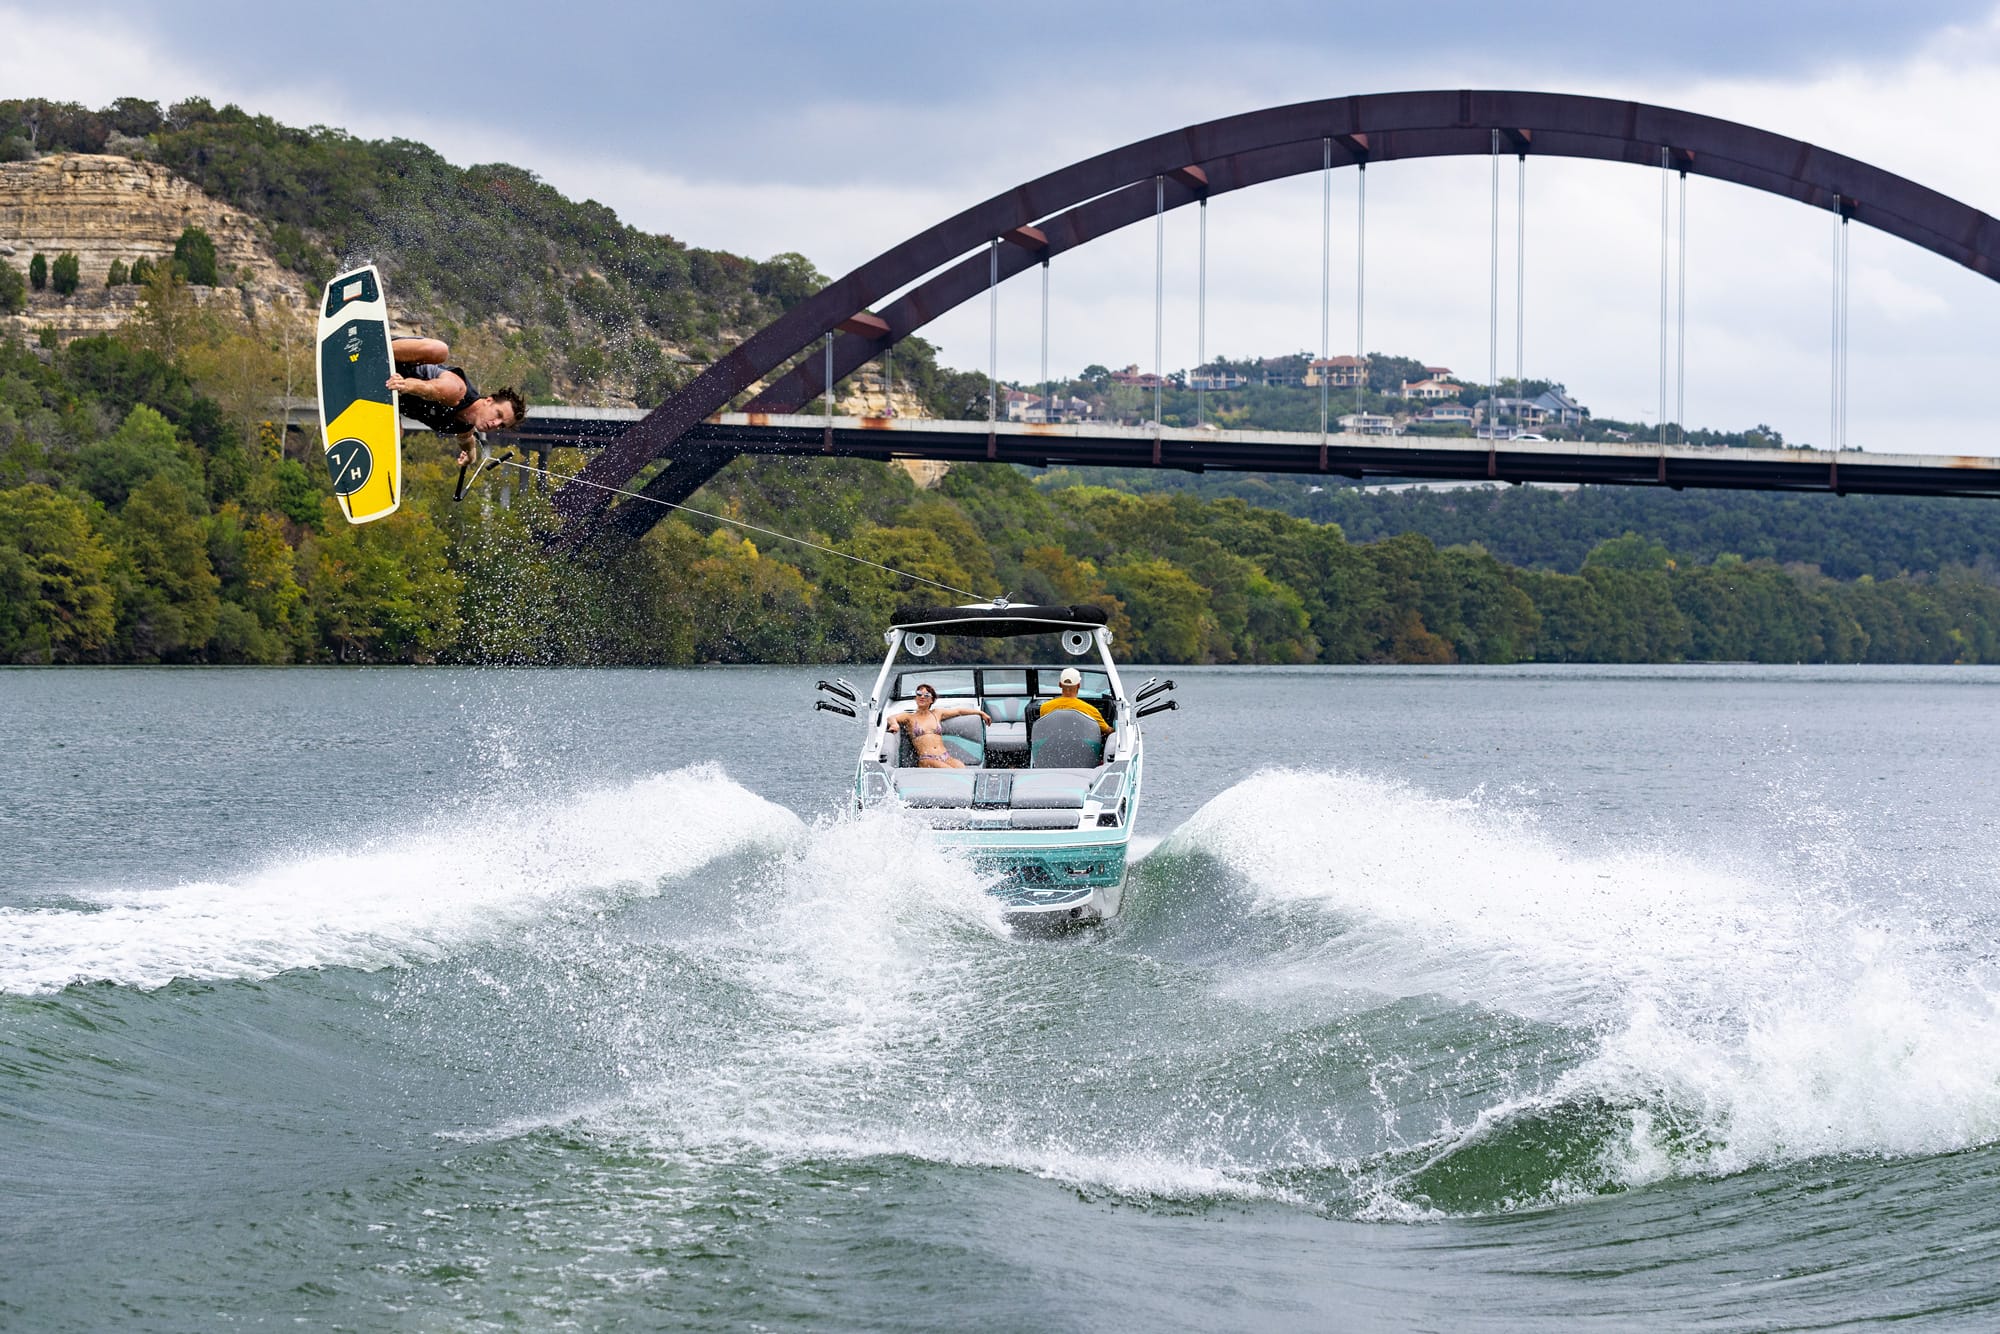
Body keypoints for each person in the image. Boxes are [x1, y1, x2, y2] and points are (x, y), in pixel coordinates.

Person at [385, 338, 528, 465]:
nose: (495, 424)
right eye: (498, 414)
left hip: (389, 394)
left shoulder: (464, 426)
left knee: (395, 436)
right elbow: (429, 388)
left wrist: (470, 456)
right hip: (398, 370)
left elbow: (466, 440)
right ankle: (380, 347)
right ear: (489, 400)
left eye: (501, 425)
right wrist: (405, 385)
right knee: (440, 350)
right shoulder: (458, 391)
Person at [885, 683, 992, 768]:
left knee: (962, 768)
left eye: (926, 695)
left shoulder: (937, 713)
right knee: (951, 772)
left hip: (945, 756)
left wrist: (980, 713)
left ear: (932, 700)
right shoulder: (909, 717)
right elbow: (891, 718)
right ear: (915, 698)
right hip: (927, 759)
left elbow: (958, 711)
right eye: (919, 694)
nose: (922, 697)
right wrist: (894, 724)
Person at [1037, 666, 1110, 734]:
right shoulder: (1090, 710)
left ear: (1060, 684)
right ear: (1078, 685)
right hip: (1082, 744)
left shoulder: (1044, 707)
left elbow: (1043, 729)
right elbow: (1107, 730)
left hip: (1052, 743)